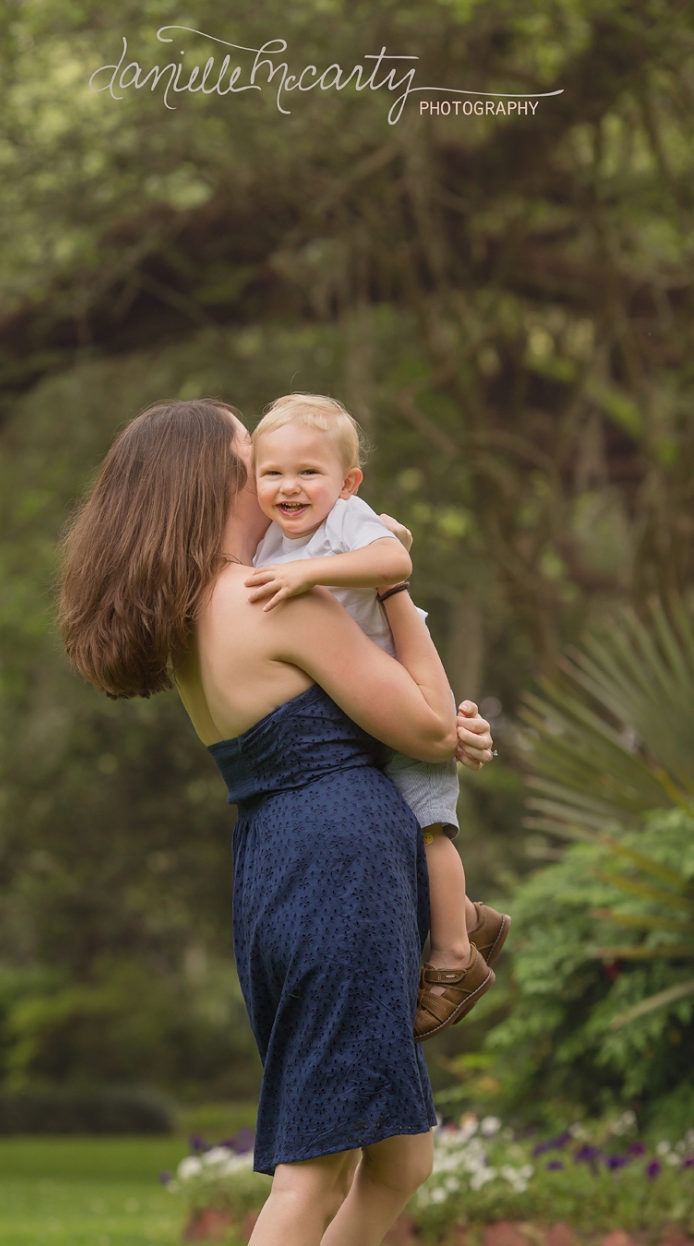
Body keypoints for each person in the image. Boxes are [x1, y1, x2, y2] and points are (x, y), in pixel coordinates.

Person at [58, 398, 495, 1246]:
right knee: (315, 1170)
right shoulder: (273, 599)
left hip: (278, 866)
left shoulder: (194, 614)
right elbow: (430, 726)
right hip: (339, 869)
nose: (275, 483)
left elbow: (381, 718)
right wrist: (395, 583)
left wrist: (434, 718)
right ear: (219, 484)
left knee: (400, 1160)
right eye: (251, 461)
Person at [244, 393, 510, 1041]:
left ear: (347, 482)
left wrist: (312, 574)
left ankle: (453, 957)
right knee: (398, 826)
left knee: (427, 826)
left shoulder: (344, 523)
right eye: (271, 472)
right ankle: (468, 917)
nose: (289, 487)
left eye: (309, 472)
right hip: (358, 713)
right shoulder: (266, 546)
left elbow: (395, 561)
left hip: (406, 692)